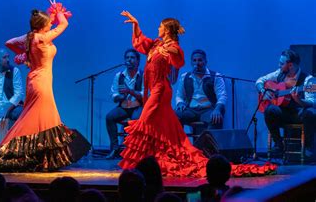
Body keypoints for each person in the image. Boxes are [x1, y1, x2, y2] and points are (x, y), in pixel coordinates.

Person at [118, 10, 276, 177]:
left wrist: (171, 52)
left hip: (160, 91)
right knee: (161, 129)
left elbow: (179, 59)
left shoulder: (172, 47)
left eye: (160, 26)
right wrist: (135, 24)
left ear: (167, 29)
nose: (158, 28)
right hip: (156, 91)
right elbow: (140, 43)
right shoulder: (157, 44)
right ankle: (152, 161)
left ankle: (143, 160)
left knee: (145, 121)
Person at [0, 0, 74, 172]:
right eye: (49, 23)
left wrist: (25, 53)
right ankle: (11, 148)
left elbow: (9, 43)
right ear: (43, 25)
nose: (51, 25)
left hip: (36, 80)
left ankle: (39, 156)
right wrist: (58, 12)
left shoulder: (30, 37)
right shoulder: (42, 37)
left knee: (40, 117)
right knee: (37, 117)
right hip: (41, 83)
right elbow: (64, 25)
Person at [256, 49, 316, 156]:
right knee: (270, 109)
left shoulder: (308, 80)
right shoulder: (279, 73)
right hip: (283, 114)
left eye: (281, 63)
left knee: (311, 112)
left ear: (290, 65)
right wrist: (262, 91)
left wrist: (299, 100)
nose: (279, 65)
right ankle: (278, 145)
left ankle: (308, 146)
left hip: (298, 115)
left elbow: (312, 102)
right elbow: (260, 80)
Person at [175, 49, 227, 134]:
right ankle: (179, 145)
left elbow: (222, 96)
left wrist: (217, 109)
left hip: (208, 109)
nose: (197, 63)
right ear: (191, 63)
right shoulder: (185, 77)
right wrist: (180, 103)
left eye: (200, 60)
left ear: (205, 62)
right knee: (175, 115)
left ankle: (208, 146)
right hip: (191, 110)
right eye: (194, 60)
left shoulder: (216, 76)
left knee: (216, 119)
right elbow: (179, 95)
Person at [105, 48, 144, 159]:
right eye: (127, 58)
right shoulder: (119, 75)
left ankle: (133, 150)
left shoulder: (143, 75)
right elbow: (113, 93)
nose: (129, 60)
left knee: (136, 120)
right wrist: (120, 97)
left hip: (138, 106)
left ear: (138, 61)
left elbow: (145, 94)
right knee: (109, 117)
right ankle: (115, 148)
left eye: (132, 58)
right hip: (124, 106)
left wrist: (130, 91)